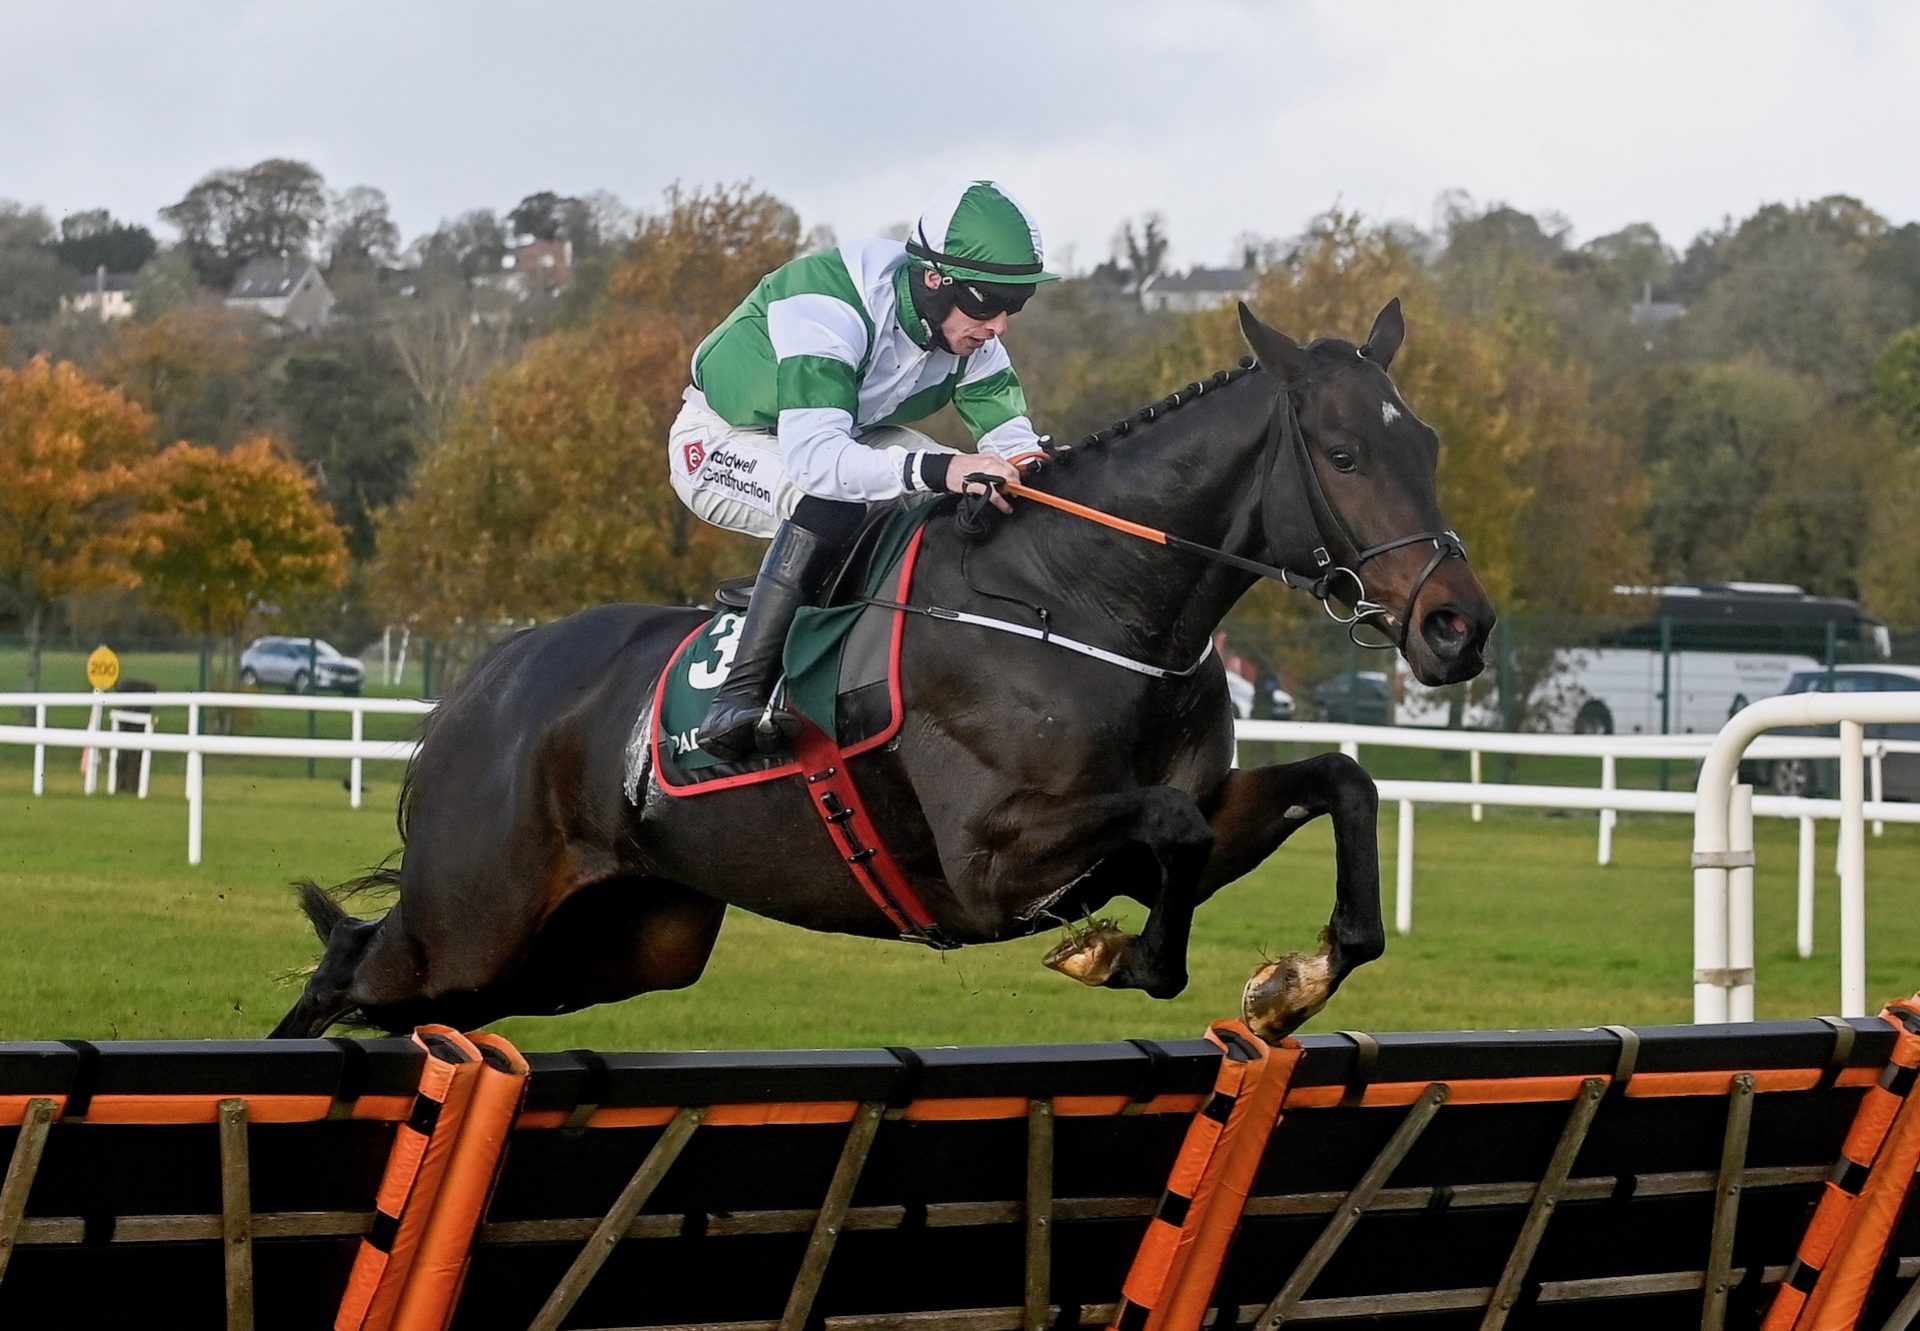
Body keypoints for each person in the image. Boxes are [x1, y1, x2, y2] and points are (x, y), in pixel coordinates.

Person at [670, 180, 1059, 760]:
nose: (999, 325)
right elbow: (819, 462)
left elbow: (1012, 446)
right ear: (934, 279)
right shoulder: (828, 305)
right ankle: (738, 695)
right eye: (987, 303)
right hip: (723, 440)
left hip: (841, 432)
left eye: (1016, 306)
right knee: (842, 496)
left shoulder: (971, 336)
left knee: (958, 499)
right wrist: (942, 467)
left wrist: (1033, 471)